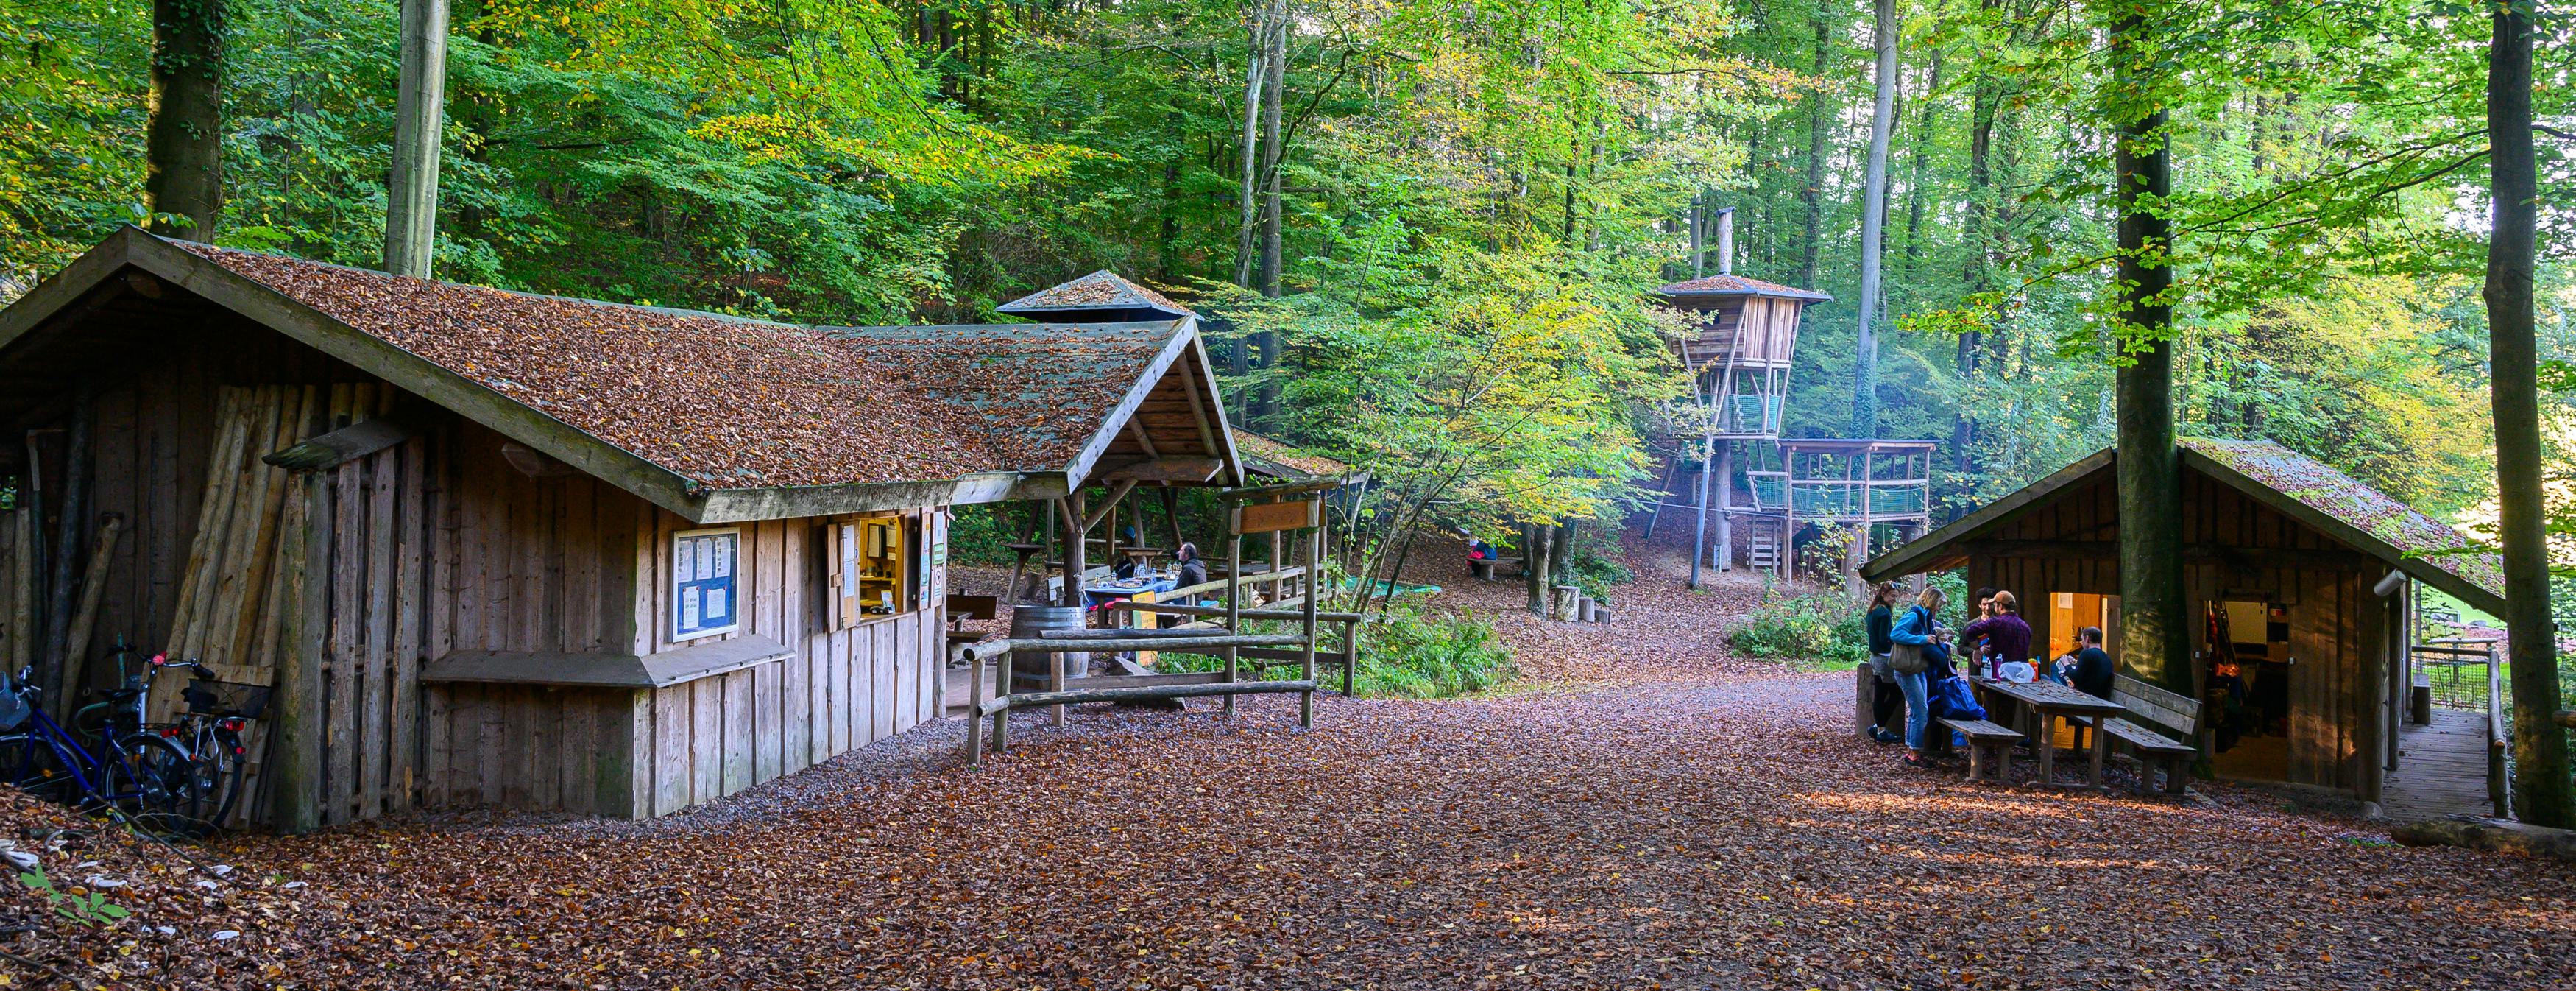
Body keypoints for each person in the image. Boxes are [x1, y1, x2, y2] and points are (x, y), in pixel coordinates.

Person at [1887, 585, 1954, 769]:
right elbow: (1896, 633)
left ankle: (1912, 751)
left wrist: (1940, 637)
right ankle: (1915, 754)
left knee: (1918, 710)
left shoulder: (1927, 618)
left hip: (1919, 668)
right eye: (1939, 604)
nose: (1940, 608)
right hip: (1906, 668)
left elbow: (1926, 636)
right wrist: (1922, 640)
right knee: (1921, 711)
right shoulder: (1915, 615)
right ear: (1931, 600)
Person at [1956, 590, 2032, 680]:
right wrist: (1977, 650)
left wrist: (1977, 649)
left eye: (1994, 604)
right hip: (2021, 675)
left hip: (1999, 674)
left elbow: (1970, 631)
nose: (1989, 607)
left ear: (2000, 606)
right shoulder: (2025, 626)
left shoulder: (1995, 623)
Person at [1864, 582, 1906, 744]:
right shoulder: (1884, 614)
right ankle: (1880, 729)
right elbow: (1884, 639)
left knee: (1881, 694)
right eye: (1892, 596)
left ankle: (1879, 728)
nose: (1895, 599)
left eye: (1896, 596)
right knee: (1895, 693)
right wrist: (1899, 645)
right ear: (1883, 594)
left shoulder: (1873, 610)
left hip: (1875, 657)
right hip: (1884, 658)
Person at [2056, 626, 2114, 699]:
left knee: (2046, 676)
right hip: (2100, 697)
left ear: (2087, 638)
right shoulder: (2106, 657)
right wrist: (2076, 662)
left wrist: (2066, 664)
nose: (2081, 642)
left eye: (2082, 639)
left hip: (2086, 699)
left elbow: (2075, 678)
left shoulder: (2086, 653)